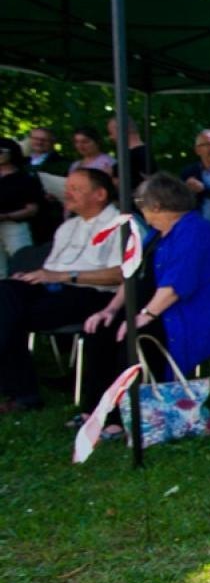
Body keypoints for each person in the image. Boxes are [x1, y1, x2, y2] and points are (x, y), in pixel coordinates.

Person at [78, 174, 210, 430]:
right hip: (170, 308)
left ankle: (120, 418)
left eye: (141, 202)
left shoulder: (195, 232)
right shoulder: (156, 234)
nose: (139, 207)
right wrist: (111, 310)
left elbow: (177, 285)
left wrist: (145, 316)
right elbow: (134, 276)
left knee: (140, 334)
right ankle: (94, 410)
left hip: (204, 314)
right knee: (102, 329)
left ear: (156, 206)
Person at [0, 168, 124, 412]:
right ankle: (23, 393)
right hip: (53, 288)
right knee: (5, 291)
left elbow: (123, 274)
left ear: (100, 194)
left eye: (76, 189)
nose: (67, 193)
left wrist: (66, 275)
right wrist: (29, 278)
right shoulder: (68, 227)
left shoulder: (121, 225)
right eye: (67, 188)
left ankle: (23, 393)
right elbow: (50, 269)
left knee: (8, 315)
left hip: (94, 294)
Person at [0, 138, 45, 275]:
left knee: (23, 264)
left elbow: (32, 209)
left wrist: (6, 216)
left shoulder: (25, 178)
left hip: (15, 226)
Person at [106, 117, 152, 184]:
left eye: (112, 133)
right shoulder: (141, 153)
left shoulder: (138, 156)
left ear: (124, 130)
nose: (111, 137)